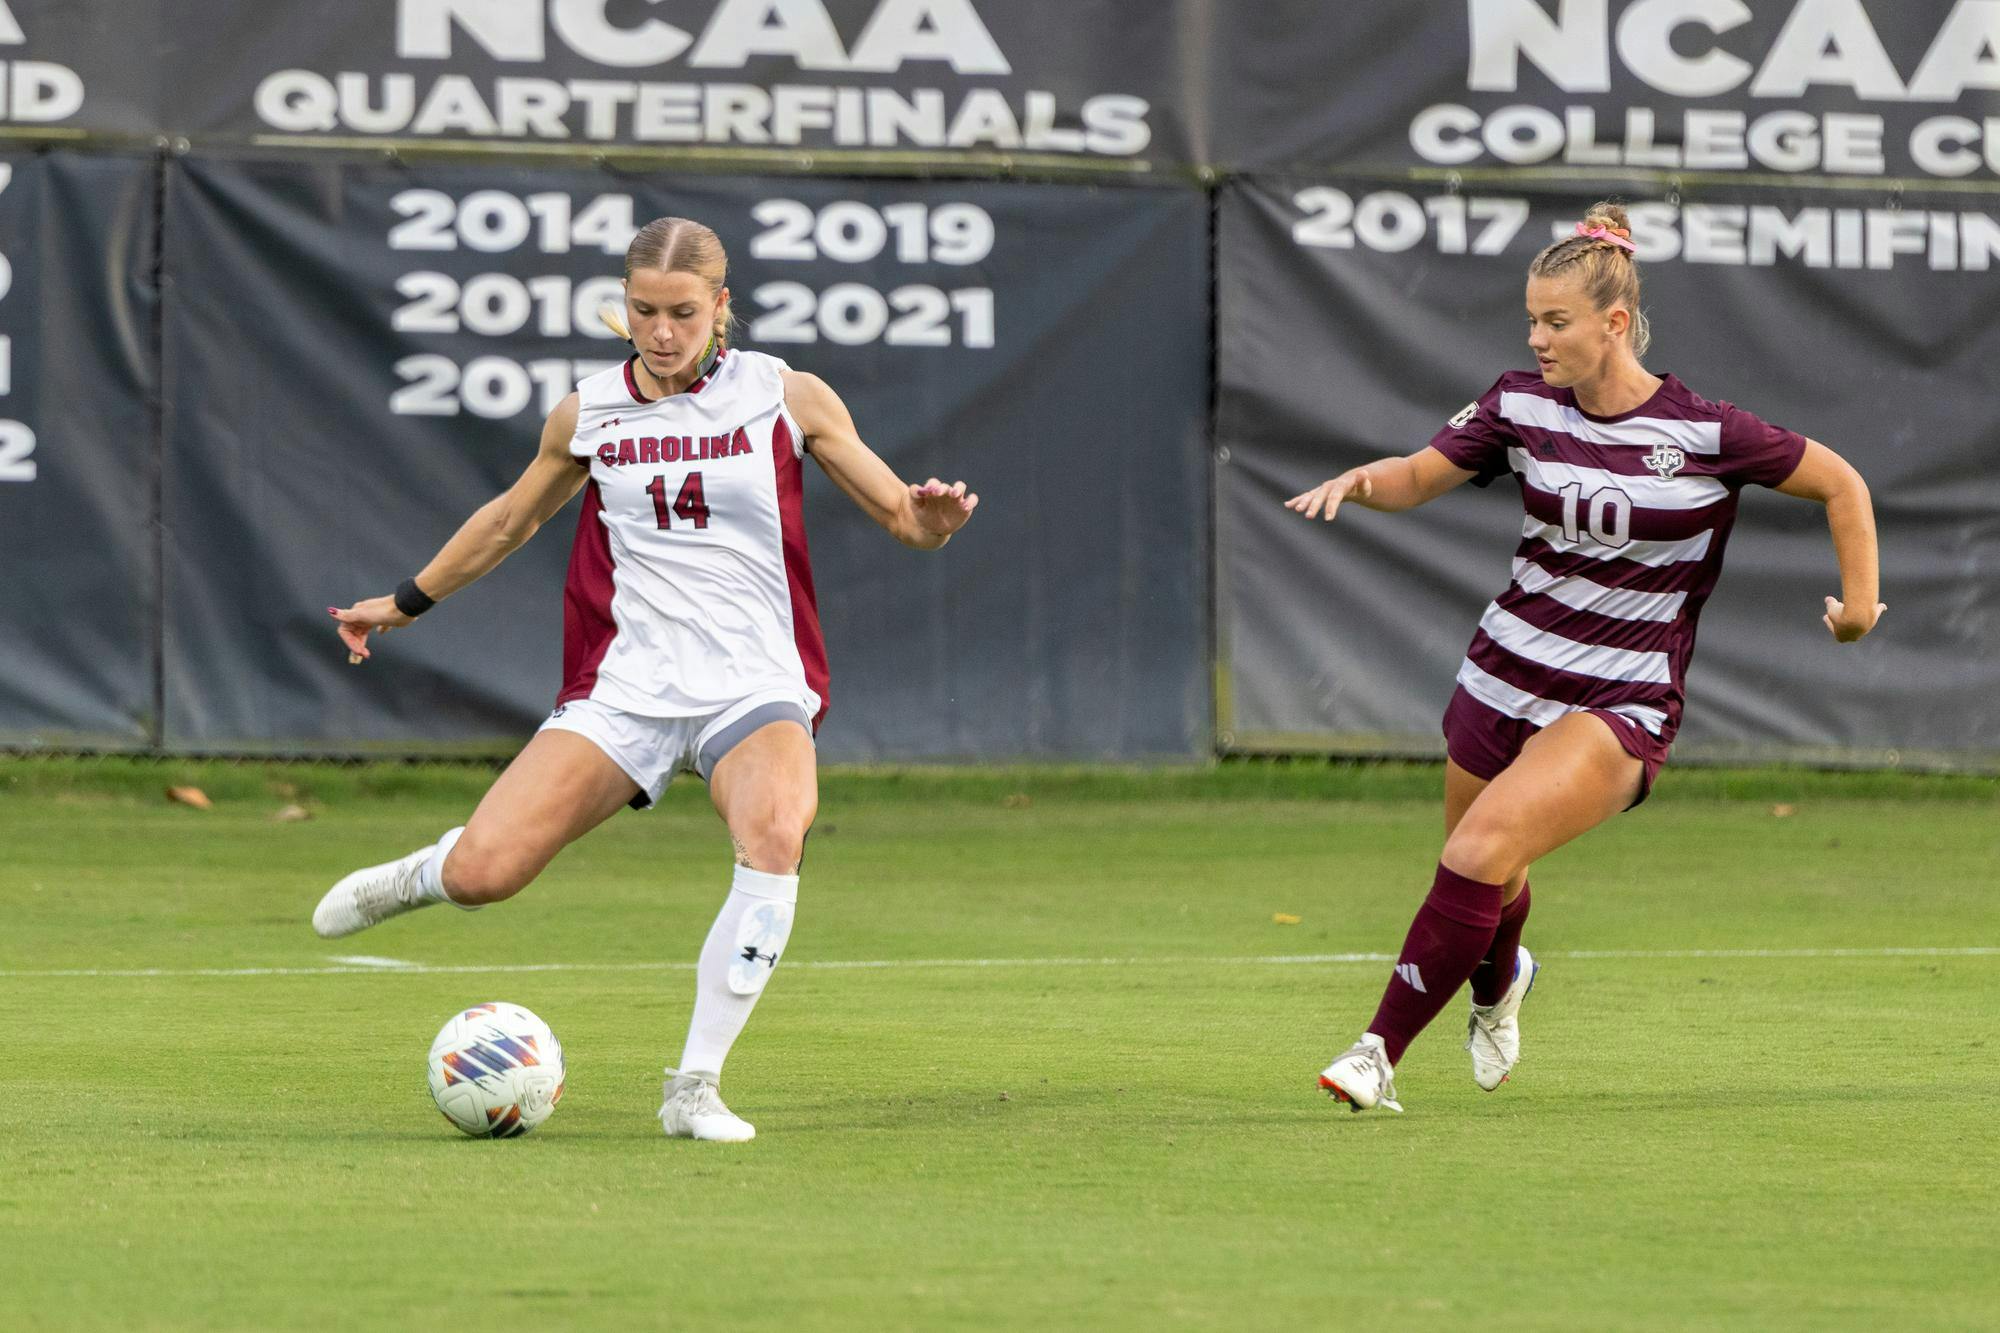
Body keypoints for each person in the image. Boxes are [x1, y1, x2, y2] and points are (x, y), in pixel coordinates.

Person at [313, 216, 978, 1142]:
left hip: (752, 682)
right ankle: (426, 873)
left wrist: (936, 519)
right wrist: (402, 601)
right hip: (626, 686)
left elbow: (905, 519)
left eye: (682, 312)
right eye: (643, 311)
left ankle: (693, 1085)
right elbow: (508, 522)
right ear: (623, 308)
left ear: (721, 307)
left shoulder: (784, 395)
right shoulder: (590, 413)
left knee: (776, 835)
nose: (662, 331)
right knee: (486, 874)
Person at [1287, 202, 1883, 1113]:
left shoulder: (1705, 432)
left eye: (1555, 320)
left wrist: (1861, 607)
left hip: (1621, 697)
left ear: (1614, 323)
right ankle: (1499, 985)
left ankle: (1377, 1053)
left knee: (1481, 848)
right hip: (1503, 671)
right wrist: (1361, 483)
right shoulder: (1519, 403)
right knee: (1489, 865)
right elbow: (1416, 475)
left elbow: (1842, 482)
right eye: (1531, 318)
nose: (1538, 338)